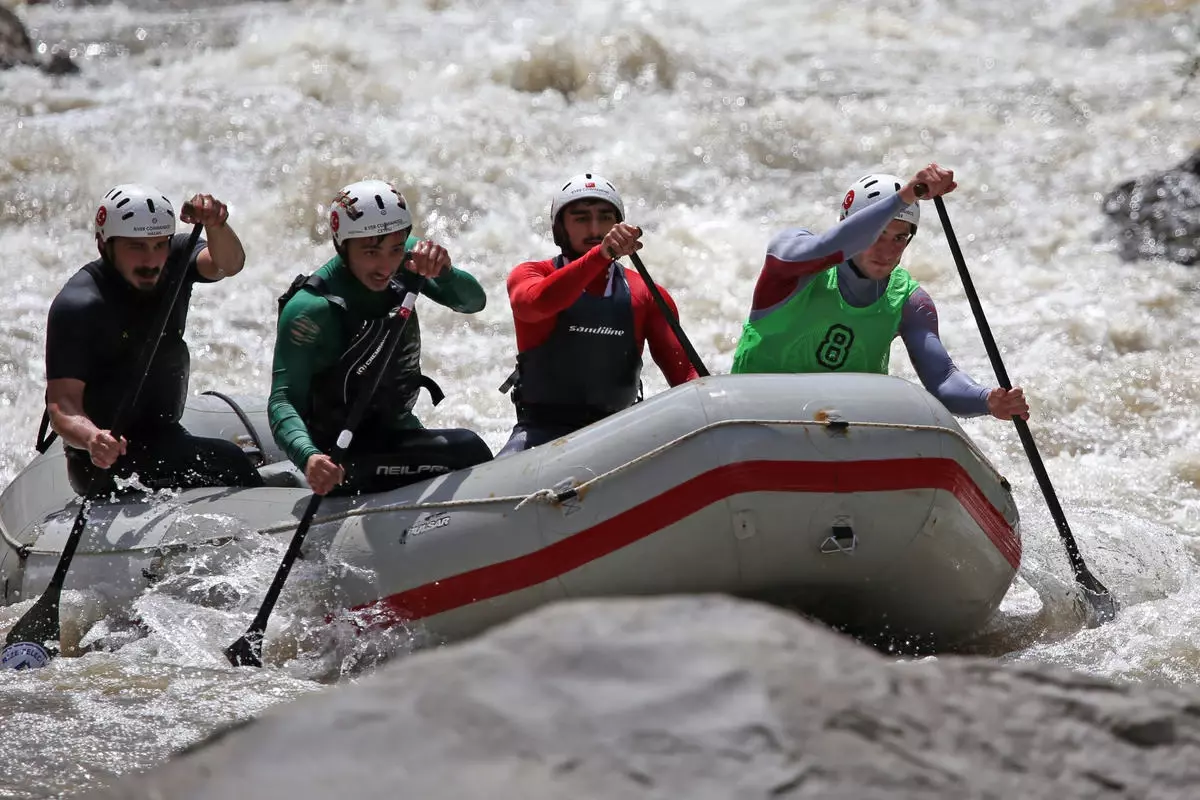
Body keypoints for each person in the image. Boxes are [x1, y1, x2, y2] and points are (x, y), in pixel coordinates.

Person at [731, 163, 1030, 421]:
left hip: (836, 431)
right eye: (878, 235)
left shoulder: (909, 301)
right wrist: (906, 196)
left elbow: (943, 379)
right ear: (850, 226)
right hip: (754, 417)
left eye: (900, 238)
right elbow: (825, 247)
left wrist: (988, 400)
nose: (887, 251)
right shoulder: (793, 260)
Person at [269, 179, 493, 496]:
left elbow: (473, 303)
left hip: (398, 432)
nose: (385, 265)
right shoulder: (309, 310)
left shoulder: (408, 261)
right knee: (470, 450)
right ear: (342, 245)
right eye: (371, 251)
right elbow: (283, 399)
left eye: (395, 249)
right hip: (341, 455)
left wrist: (445, 271)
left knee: (467, 450)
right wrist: (309, 456)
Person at [43, 184, 264, 496]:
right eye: (136, 247)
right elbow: (62, 405)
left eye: (159, 244)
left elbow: (229, 264)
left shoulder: (178, 259)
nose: (151, 260)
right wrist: (93, 438)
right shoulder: (79, 304)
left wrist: (217, 224)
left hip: (164, 436)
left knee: (228, 461)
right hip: (105, 461)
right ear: (105, 244)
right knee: (232, 463)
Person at [497, 173, 700, 456]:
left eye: (605, 218)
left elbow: (686, 375)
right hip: (542, 433)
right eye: (581, 218)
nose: (595, 228)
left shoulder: (646, 292)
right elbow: (533, 305)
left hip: (619, 431)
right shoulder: (532, 274)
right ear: (560, 229)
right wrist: (600, 255)